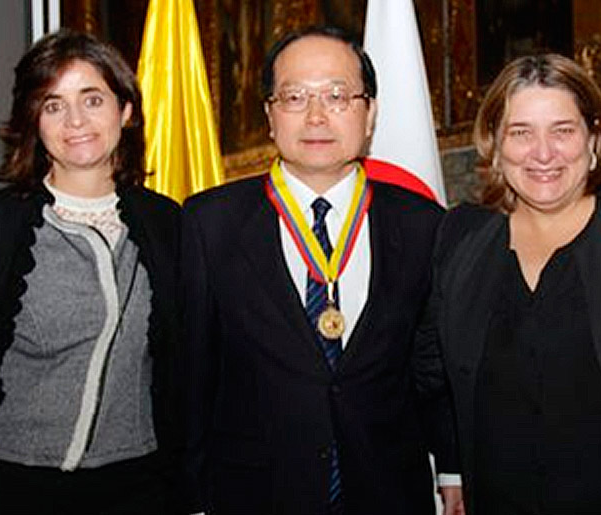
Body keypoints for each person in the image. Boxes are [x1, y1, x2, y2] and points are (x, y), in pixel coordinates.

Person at [0, 30, 181, 514]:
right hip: (11, 485)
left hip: (138, 486)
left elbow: (187, 366)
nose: (75, 121)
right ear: (34, 121)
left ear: (126, 110)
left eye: (92, 99)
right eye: (53, 105)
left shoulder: (166, 223)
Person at [178, 25, 461, 515]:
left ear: (369, 113)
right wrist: (192, 497)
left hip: (387, 491)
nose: (315, 116)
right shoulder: (210, 222)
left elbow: (432, 366)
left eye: (336, 96)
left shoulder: (422, 223)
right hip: (255, 493)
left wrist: (453, 468)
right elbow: (190, 374)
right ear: (270, 115)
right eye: (294, 97)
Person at [417, 53, 601, 515]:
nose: (543, 153)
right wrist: (453, 466)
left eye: (562, 130)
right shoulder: (461, 236)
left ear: (593, 137)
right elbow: (432, 369)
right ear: (495, 144)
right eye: (521, 133)